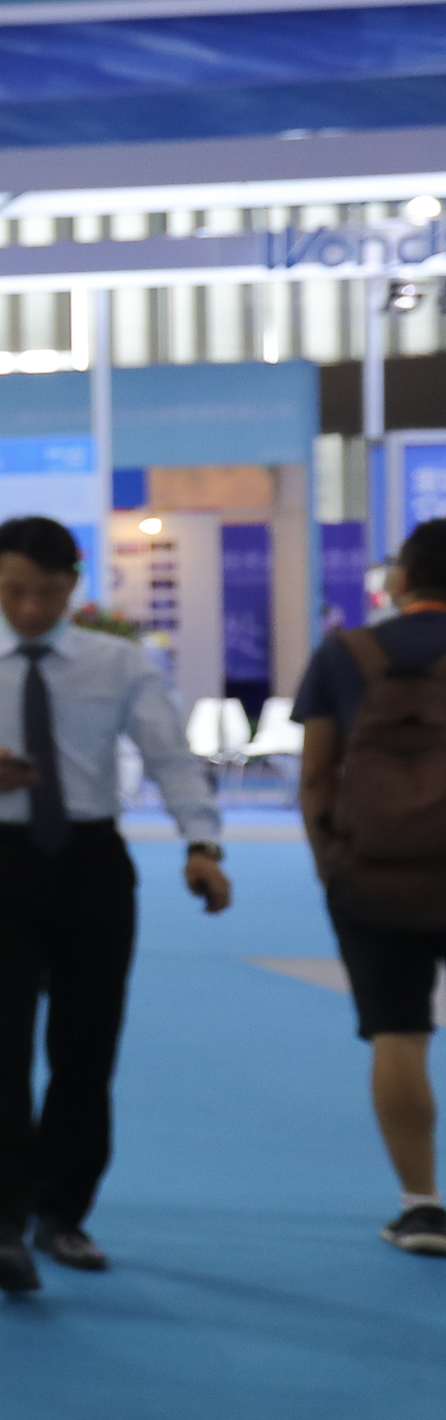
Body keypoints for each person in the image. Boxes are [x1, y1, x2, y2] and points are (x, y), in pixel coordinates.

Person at [0, 514, 232, 1294]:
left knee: (86, 1052)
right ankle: (1, 1227)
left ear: (73, 586)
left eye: (47, 591)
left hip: (93, 864)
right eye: (15, 590)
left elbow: (170, 757)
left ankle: (63, 1212)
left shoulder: (118, 662)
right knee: (2, 1047)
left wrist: (202, 843)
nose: (30, 607)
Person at [287, 515, 446, 1255]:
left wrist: (330, 859)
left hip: (375, 873)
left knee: (397, 1032)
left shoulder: (345, 653)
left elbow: (316, 772)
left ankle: (421, 1206)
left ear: (400, 579)